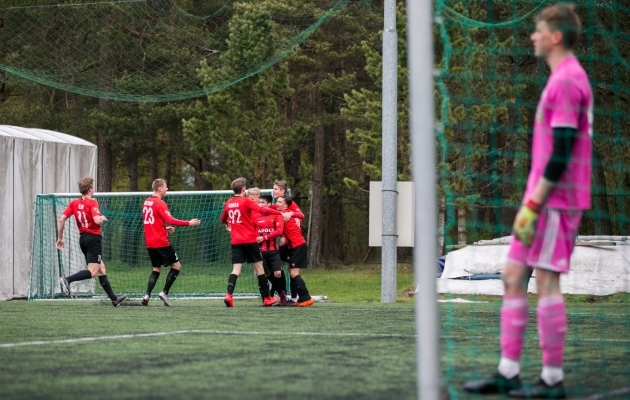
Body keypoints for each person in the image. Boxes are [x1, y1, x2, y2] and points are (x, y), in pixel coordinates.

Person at [463, 4, 592, 398]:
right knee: (513, 276)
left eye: (538, 31)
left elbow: (564, 150)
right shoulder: (558, 79)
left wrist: (534, 203)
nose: (532, 37)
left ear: (556, 37)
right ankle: (508, 372)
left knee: (547, 281)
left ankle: (552, 380)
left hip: (555, 201)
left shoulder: (568, 81)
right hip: (540, 201)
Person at [57, 177, 127, 307]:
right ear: (90, 189)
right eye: (93, 187)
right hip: (93, 239)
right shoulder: (92, 202)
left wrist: (60, 238)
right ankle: (67, 279)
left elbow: (62, 220)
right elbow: (96, 220)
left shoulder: (74, 203)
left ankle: (114, 299)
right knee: (93, 272)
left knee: (101, 269)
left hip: (83, 239)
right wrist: (102, 218)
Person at [220, 177, 284, 307]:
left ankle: (229, 294)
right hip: (250, 239)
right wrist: (280, 213)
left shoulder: (228, 202)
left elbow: (223, 219)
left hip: (236, 241)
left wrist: (230, 224)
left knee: (236, 269)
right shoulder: (245, 201)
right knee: (260, 268)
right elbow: (263, 210)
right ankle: (267, 298)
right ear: (243, 189)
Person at [141, 179, 201, 306]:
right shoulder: (160, 203)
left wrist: (164, 228)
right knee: (177, 266)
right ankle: (164, 293)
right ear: (159, 189)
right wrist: (189, 223)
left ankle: (147, 295)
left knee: (156, 268)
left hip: (150, 242)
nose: (167, 189)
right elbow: (170, 220)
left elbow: (151, 222)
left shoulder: (147, 202)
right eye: (165, 187)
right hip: (161, 242)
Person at [270, 180, 305, 303]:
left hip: (293, 243)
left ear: (282, 191)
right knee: (278, 268)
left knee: (291, 270)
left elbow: (300, 215)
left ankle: (294, 296)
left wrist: (293, 215)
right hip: (286, 242)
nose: (273, 191)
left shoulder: (289, 203)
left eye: (275, 189)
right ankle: (282, 294)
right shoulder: (277, 205)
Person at [276, 195, 314, 307]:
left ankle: (307, 298)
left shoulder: (285, 214)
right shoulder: (283, 213)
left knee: (294, 273)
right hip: (294, 247)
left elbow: (301, 215)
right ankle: (302, 298)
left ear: (286, 205)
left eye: (279, 202)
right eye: (276, 201)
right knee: (292, 272)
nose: (277, 203)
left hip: (299, 246)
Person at [256, 194, 287, 305]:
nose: (260, 205)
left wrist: (264, 237)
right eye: (259, 202)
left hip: (273, 250)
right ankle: (270, 296)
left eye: (262, 202)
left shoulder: (276, 215)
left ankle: (280, 293)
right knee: (264, 275)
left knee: (277, 273)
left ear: (269, 204)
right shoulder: (255, 216)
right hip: (260, 251)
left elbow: (279, 231)